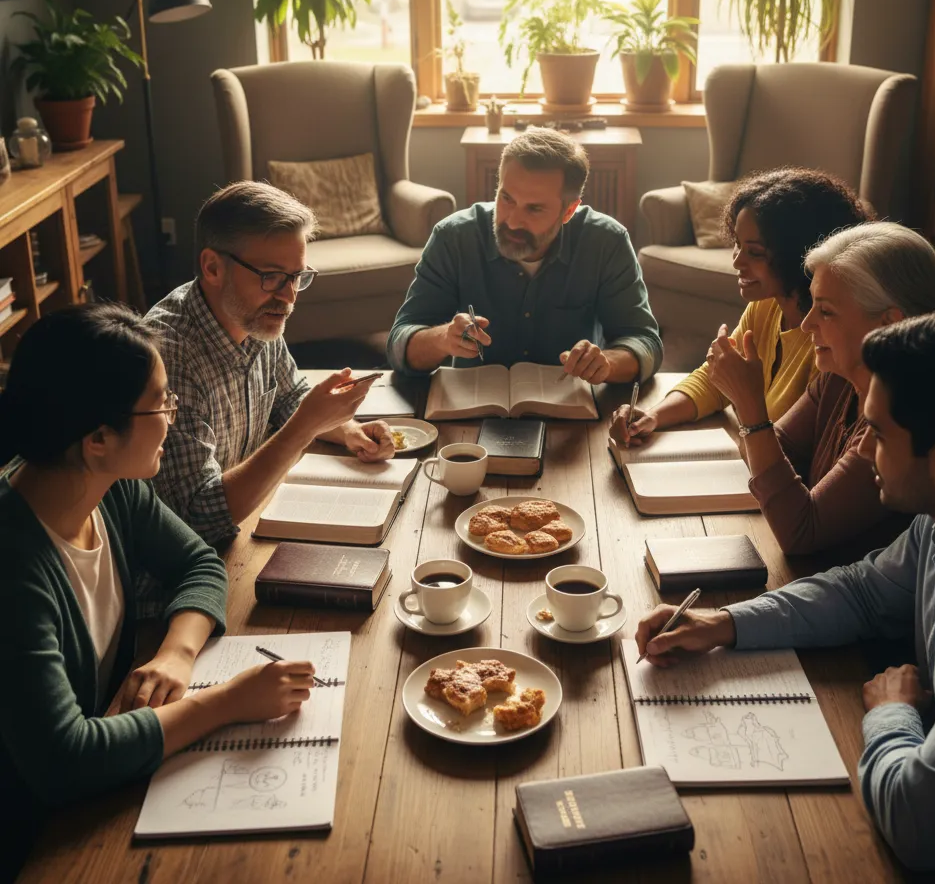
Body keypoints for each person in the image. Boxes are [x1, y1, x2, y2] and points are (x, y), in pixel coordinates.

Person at [635, 309, 935, 872]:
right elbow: (861, 592)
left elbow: (921, 825)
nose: (863, 449)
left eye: (880, 434)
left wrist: (892, 715)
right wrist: (726, 623)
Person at [0, 305, 316, 878]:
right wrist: (227, 703)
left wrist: (177, 651)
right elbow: (64, 760)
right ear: (99, 437)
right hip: (34, 831)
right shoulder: (13, 568)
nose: (173, 416)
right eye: (162, 402)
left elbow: (197, 562)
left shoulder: (104, 487)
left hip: (106, 767)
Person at [145, 181, 395, 550]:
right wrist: (307, 424)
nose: (289, 296)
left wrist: (348, 431)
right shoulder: (169, 358)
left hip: (247, 523)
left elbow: (289, 396)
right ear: (213, 267)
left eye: (297, 277)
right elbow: (199, 518)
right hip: (190, 563)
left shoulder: (254, 314)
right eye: (272, 277)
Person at [706, 221, 935, 555]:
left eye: (826, 311)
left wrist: (750, 407)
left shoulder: (903, 419)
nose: (807, 325)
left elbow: (801, 533)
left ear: (889, 324)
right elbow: (767, 454)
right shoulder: (841, 376)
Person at [386, 127, 663, 384]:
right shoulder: (453, 237)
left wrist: (607, 364)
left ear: (569, 211)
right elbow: (399, 345)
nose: (513, 222)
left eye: (534, 209)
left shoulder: (607, 241)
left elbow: (645, 342)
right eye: (507, 198)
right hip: (472, 406)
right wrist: (442, 339)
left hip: (571, 409)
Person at [611, 168, 867, 443]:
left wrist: (746, 399)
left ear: (798, 255)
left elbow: (799, 451)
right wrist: (654, 415)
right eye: (737, 244)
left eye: (755, 252)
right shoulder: (767, 306)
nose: (736, 262)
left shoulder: (827, 338)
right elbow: (716, 382)